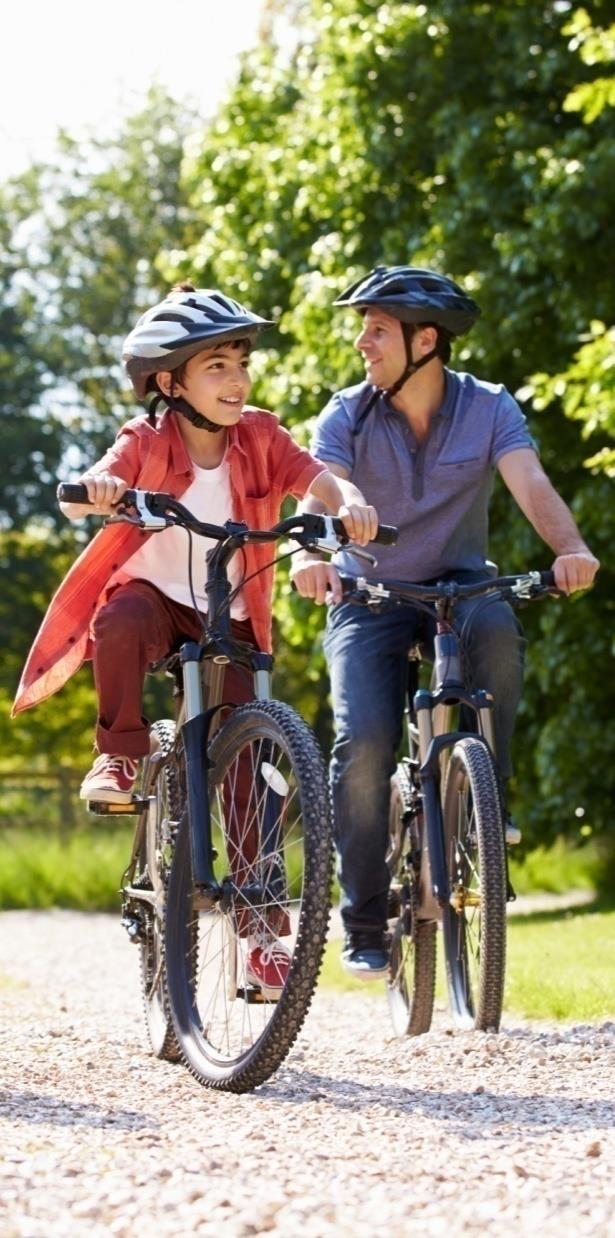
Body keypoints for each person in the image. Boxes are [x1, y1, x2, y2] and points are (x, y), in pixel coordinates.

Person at [13, 282, 377, 997]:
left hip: (227, 609)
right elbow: (111, 469)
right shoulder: (147, 438)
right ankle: (118, 757)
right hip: (154, 599)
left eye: (241, 362)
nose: (237, 379)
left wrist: (351, 503)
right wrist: (102, 487)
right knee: (116, 623)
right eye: (217, 366)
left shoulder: (261, 435)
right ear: (169, 380)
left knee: (251, 767)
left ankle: (261, 937)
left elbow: (313, 476)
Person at [290, 265, 599, 980]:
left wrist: (570, 550)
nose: (362, 343)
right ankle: (363, 918)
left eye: (376, 330)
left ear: (424, 340)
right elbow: (325, 489)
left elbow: (530, 483)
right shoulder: (346, 412)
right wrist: (311, 552)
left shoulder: (488, 407)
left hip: (458, 586)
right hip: (368, 592)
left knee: (495, 628)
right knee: (363, 742)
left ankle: (486, 802)